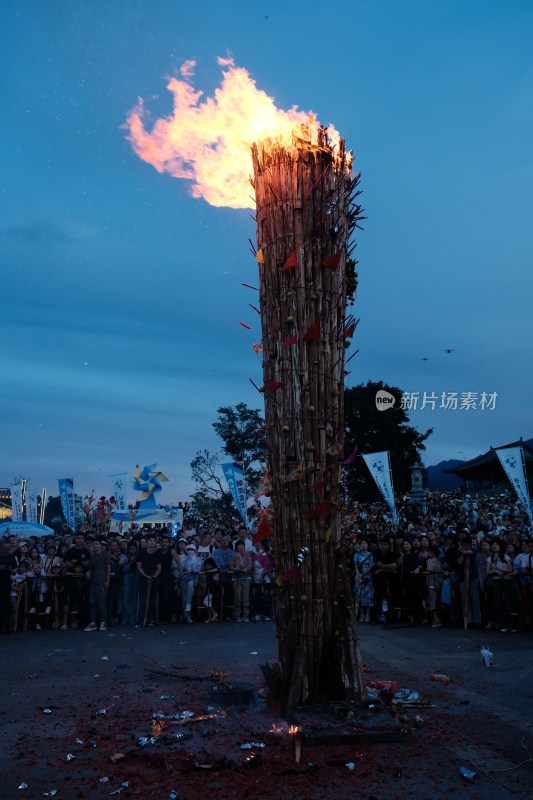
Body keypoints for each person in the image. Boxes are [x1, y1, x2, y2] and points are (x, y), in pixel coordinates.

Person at [85, 540, 111, 632]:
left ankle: (103, 623)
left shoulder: (105, 554)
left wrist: (107, 580)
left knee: (101, 603)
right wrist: (88, 573)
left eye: (97, 544)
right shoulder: (92, 556)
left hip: (102, 582)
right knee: (92, 602)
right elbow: (90, 569)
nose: (95, 545)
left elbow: (108, 567)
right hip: (93, 582)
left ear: (101, 545)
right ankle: (93, 623)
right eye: (93, 544)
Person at [136, 535, 162, 628]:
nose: (152, 542)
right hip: (143, 579)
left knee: (152, 600)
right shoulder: (141, 553)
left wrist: (153, 577)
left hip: (153, 579)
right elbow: (139, 566)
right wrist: (146, 576)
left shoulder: (157, 554)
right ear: (147, 542)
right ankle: (140, 620)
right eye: (150, 540)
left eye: (154, 540)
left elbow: (159, 568)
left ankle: (150, 619)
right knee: (142, 600)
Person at [229, 540, 253, 622]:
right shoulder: (233, 555)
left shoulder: (247, 554)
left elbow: (250, 564)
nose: (241, 546)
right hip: (236, 577)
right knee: (237, 597)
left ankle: (246, 615)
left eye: (242, 545)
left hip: (246, 577)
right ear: (236, 547)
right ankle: (238, 615)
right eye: (239, 545)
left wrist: (245, 569)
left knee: (246, 598)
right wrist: (236, 569)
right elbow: (231, 565)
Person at [180, 543, 203, 623]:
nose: (190, 551)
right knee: (184, 596)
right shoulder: (184, 558)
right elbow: (181, 568)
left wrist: (191, 570)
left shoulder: (198, 559)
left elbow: (198, 569)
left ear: (195, 550)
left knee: (188, 596)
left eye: (192, 549)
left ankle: (188, 614)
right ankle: (185, 615)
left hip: (194, 579)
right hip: (184, 579)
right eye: (188, 549)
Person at [353, 539, 374, 623]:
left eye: (365, 543)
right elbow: (356, 566)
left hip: (367, 577)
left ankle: (368, 614)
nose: (363, 545)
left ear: (368, 545)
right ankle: (361, 614)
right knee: (359, 595)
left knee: (368, 596)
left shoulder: (371, 555)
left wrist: (364, 574)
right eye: (362, 543)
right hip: (358, 577)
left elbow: (371, 566)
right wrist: (358, 575)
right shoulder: (357, 554)